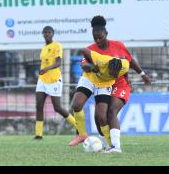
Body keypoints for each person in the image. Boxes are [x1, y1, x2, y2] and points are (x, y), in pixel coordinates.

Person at [69, 15, 150, 153]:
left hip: (113, 84)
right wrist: (89, 66)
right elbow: (84, 62)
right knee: (87, 110)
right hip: (92, 79)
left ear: (106, 34)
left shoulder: (118, 46)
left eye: (100, 37)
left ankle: (115, 146)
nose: (98, 40)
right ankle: (93, 139)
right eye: (95, 38)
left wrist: (141, 74)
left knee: (107, 114)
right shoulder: (91, 49)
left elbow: (129, 62)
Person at [34, 26, 77, 140]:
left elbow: (58, 63)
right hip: (42, 80)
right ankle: (38, 134)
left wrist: (46, 69)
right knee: (39, 106)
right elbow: (44, 63)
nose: (47, 34)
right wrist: (42, 70)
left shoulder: (57, 45)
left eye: (49, 32)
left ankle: (78, 126)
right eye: (45, 33)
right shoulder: (43, 49)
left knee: (57, 108)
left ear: (52, 34)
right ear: (42, 34)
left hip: (54, 80)